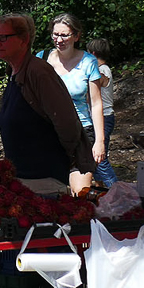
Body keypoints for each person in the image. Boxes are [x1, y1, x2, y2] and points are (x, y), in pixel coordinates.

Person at [0, 14, 95, 194]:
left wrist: (63, 157)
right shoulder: (14, 73)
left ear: (24, 39)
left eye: (3, 37)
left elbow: (67, 123)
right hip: (23, 179)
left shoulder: (39, 73)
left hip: (44, 182)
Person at [37, 13, 107, 173]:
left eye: (64, 35)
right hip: (49, 133)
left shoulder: (88, 62)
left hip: (80, 132)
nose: (59, 40)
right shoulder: (42, 59)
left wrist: (100, 141)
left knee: (80, 191)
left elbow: (96, 104)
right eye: (55, 34)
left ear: (76, 36)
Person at [86, 37, 118, 188]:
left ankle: (116, 189)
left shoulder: (103, 70)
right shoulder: (101, 69)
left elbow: (101, 80)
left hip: (104, 118)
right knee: (96, 158)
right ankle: (101, 189)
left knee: (100, 157)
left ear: (92, 54)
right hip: (100, 117)